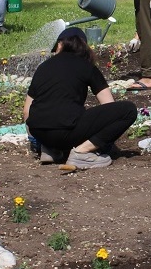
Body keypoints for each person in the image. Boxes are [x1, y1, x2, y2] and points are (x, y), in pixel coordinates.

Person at [24, 27, 138, 169]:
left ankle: (50, 149)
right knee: (128, 110)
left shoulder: (43, 67)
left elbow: (27, 111)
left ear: (60, 44)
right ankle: (82, 152)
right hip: (66, 132)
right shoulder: (87, 66)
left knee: (57, 116)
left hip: (39, 131)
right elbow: (108, 105)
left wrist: (40, 140)